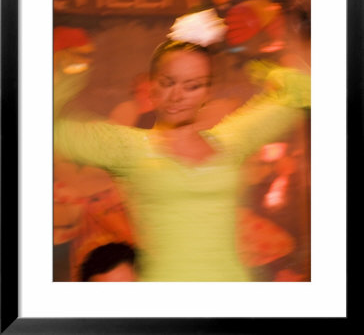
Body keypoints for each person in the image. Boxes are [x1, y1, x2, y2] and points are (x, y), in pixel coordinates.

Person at [54, 39, 310, 281]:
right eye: (168, 82)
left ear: (207, 92)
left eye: (193, 86)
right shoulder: (126, 147)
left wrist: (283, 47)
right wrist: (66, 69)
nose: (177, 95)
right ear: (152, 86)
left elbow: (301, 91)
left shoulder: (231, 141)